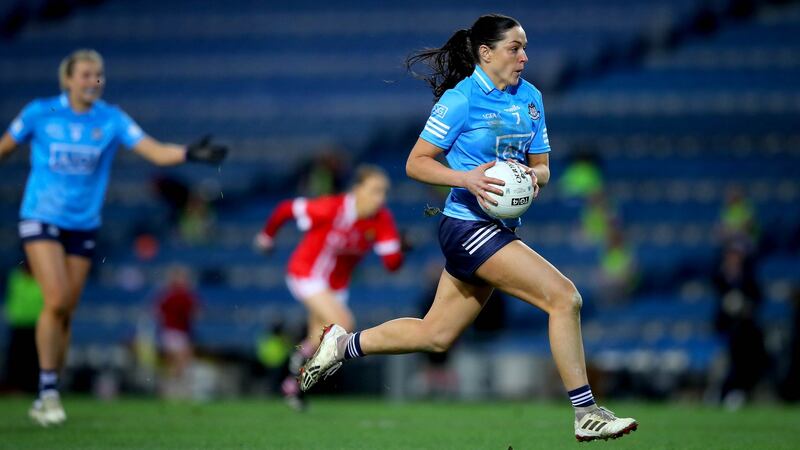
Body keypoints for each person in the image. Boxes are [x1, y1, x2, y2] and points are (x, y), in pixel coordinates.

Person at [298, 14, 637, 442]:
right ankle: (586, 412)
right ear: (486, 53)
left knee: (436, 335)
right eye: (515, 48)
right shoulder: (461, 100)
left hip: (498, 229)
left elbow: (544, 168)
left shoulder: (530, 97)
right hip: (467, 227)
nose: (524, 56)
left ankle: (340, 346)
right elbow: (415, 163)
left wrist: (533, 180)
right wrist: (468, 178)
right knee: (564, 297)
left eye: (525, 47)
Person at [0, 49, 228, 426]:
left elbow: (154, 151)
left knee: (66, 310)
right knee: (54, 299)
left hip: (83, 224)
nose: (94, 81)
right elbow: (5, 147)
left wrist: (189, 152)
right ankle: (47, 392)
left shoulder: (111, 118)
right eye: (87, 75)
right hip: (40, 217)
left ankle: (50, 385)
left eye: (98, 75)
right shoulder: (40, 112)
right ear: (68, 79)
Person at [254, 164, 404, 410]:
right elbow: (285, 209)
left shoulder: (382, 219)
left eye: (384, 192)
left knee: (316, 340)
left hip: (336, 287)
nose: (381, 198)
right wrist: (267, 237)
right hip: (306, 273)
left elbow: (391, 265)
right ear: (357, 189)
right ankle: (296, 376)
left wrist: (399, 248)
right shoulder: (330, 208)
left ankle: (294, 383)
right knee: (344, 323)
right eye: (375, 190)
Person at [156, 265, 199, 399]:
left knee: (175, 364)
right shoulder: (181, 296)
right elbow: (196, 312)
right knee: (180, 363)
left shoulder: (168, 295)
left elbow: (157, 311)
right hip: (176, 332)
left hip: (173, 332)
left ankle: (170, 391)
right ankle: (176, 392)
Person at [2, 261, 44, 393]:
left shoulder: (41, 279)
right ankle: (14, 387)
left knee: (33, 359)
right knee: (15, 359)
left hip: (35, 325)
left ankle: (32, 387)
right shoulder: (16, 278)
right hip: (18, 324)